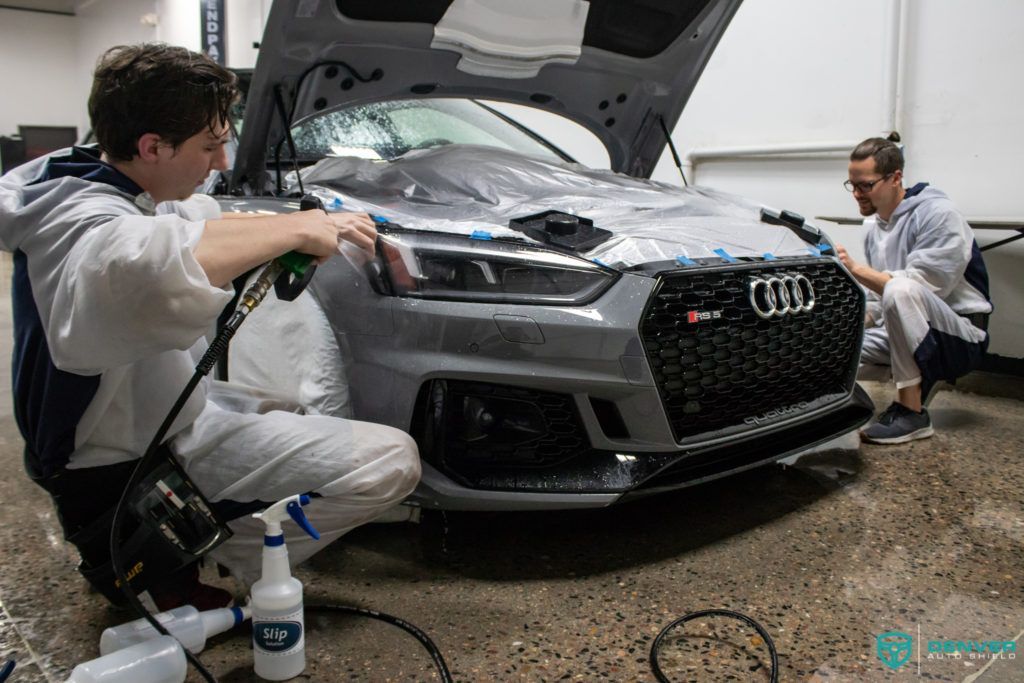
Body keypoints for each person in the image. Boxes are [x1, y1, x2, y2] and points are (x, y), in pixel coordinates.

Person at [0, 43, 420, 607]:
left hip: (161, 418)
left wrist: (322, 221)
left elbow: (210, 219)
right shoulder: (84, 226)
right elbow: (149, 263)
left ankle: (212, 542)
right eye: (210, 145)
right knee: (389, 462)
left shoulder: (108, 181)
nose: (221, 162)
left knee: (291, 407)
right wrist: (295, 234)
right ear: (152, 147)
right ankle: (210, 548)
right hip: (114, 463)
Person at [836, 135, 991, 445]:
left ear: (895, 178)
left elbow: (921, 287)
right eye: (851, 185)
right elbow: (880, 302)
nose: (856, 194)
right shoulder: (873, 228)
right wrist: (842, 329)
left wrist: (854, 269)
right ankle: (823, 408)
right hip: (906, 327)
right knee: (834, 348)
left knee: (900, 289)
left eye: (865, 185)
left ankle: (911, 412)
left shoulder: (938, 214)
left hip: (960, 336)